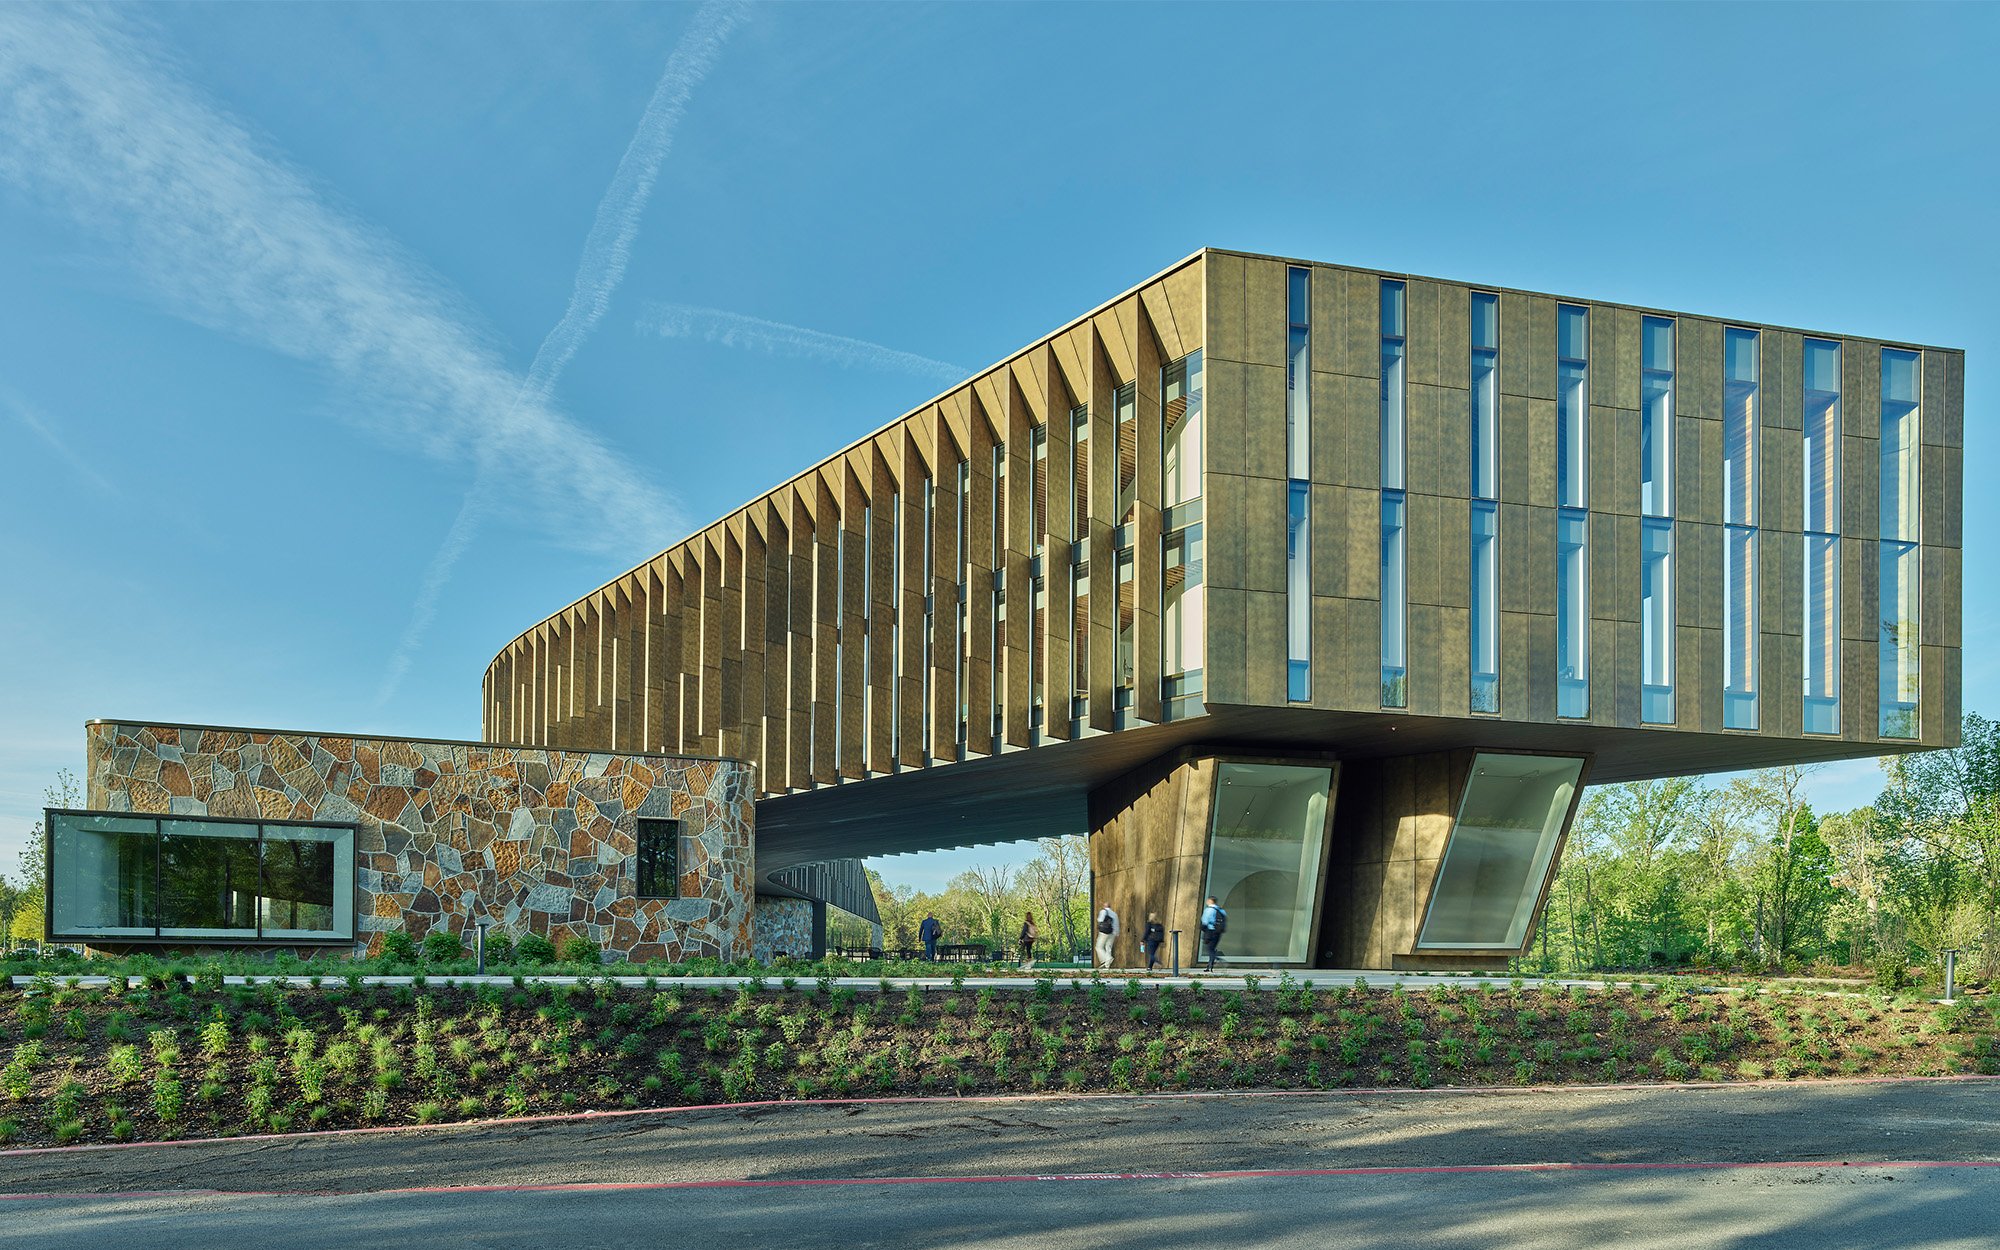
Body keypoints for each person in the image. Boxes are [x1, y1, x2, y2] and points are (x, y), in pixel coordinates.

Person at [1199, 896, 1227, 971]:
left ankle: (1217, 959)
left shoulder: (1208, 910)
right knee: (1212, 948)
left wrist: (1203, 930)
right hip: (1218, 932)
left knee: (1209, 949)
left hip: (1210, 931)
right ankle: (1209, 966)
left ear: (1210, 901)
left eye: (1208, 900)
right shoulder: (1221, 910)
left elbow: (1204, 922)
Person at [1094, 904, 1120, 969]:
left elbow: (1100, 920)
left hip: (1104, 932)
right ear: (1110, 906)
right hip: (1112, 932)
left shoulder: (1103, 911)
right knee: (1108, 948)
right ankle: (1107, 965)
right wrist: (1117, 933)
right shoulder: (1114, 914)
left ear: (1104, 906)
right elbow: (1116, 924)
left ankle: (1106, 959)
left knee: (1099, 947)